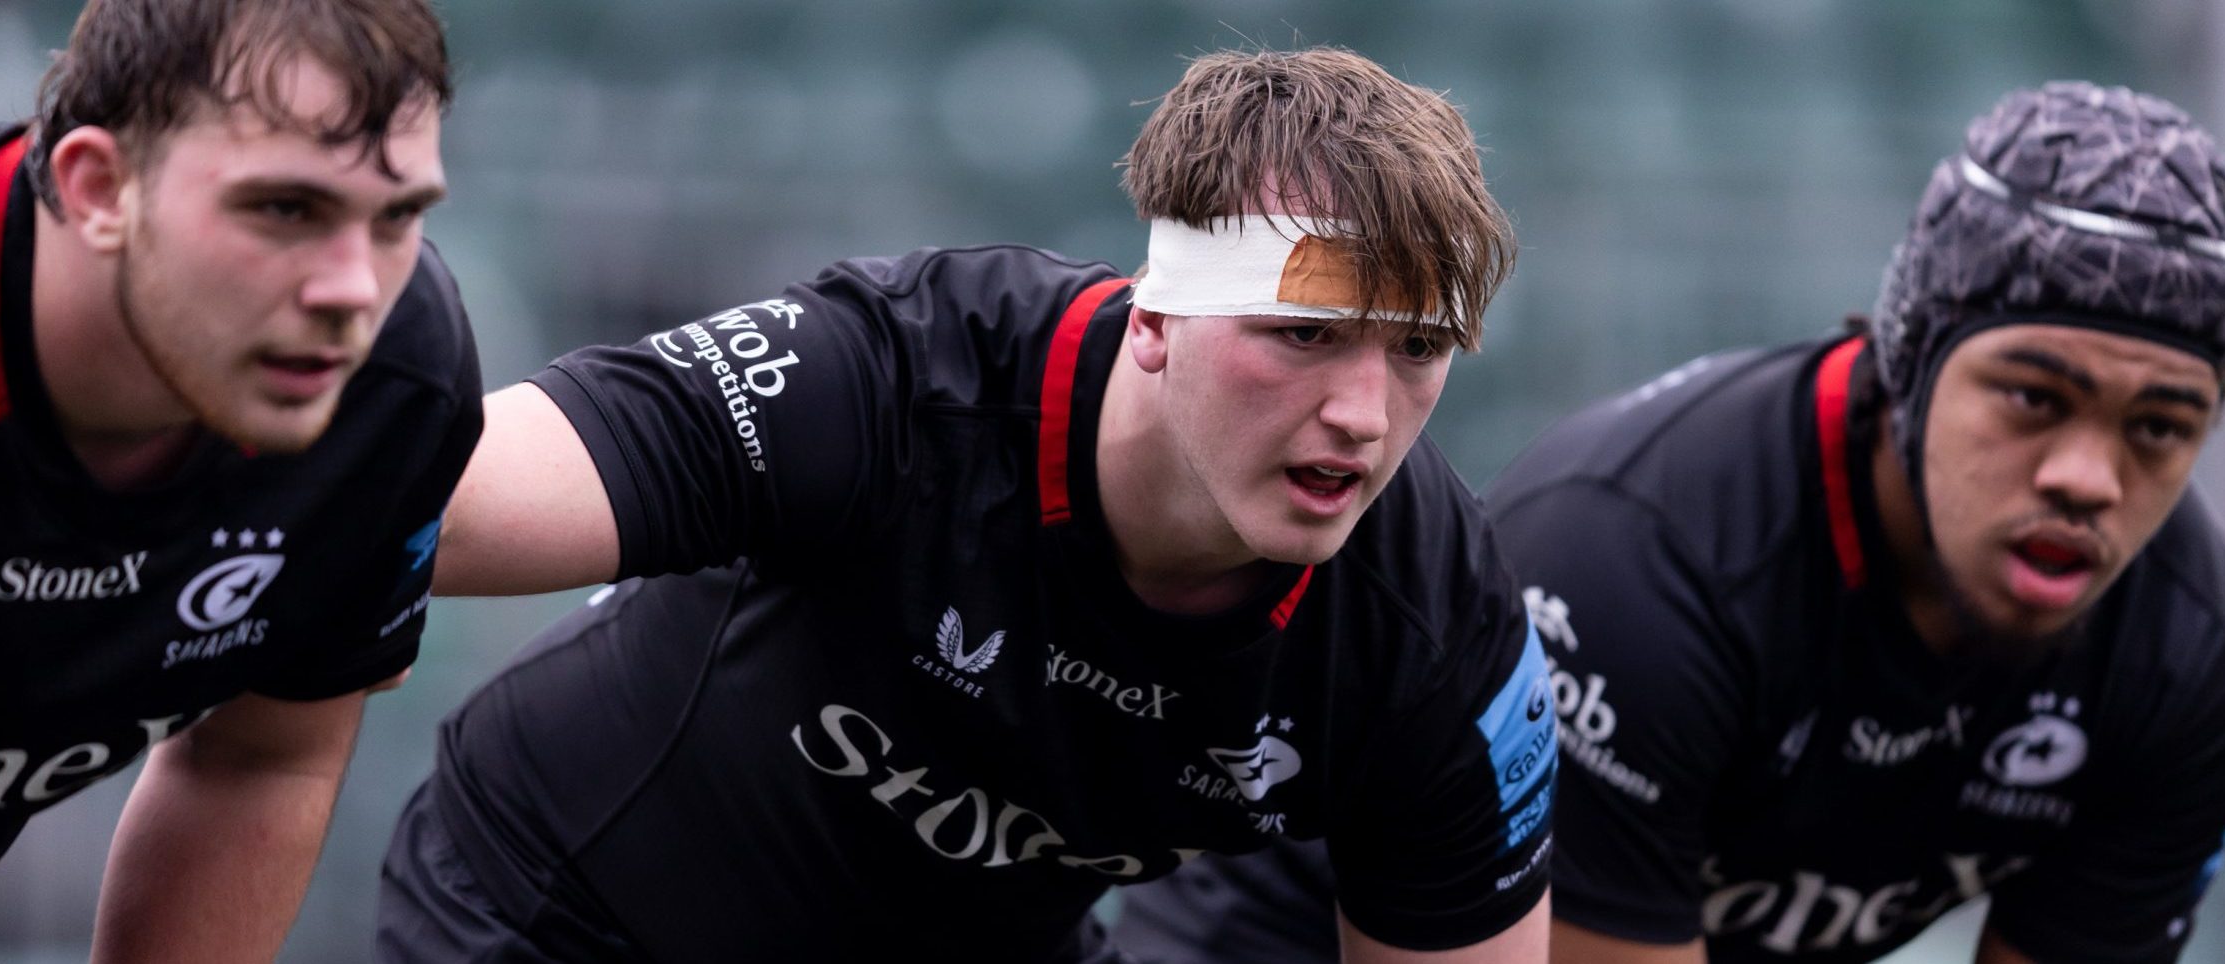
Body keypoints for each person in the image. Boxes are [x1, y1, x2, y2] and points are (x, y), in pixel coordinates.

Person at [383, 47, 1555, 962]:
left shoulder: (1436, 626)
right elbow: (458, 496)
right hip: (567, 910)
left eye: (1417, 347)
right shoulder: (905, 370)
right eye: (1305, 336)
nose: (1363, 411)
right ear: (1153, 321)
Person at [1113, 80, 2225, 964]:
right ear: (1908, 358)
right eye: (2032, 397)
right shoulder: (1638, 557)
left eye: (2161, 427)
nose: (2087, 475)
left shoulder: (2193, 659)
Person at [0, 1, 480, 960]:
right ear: (99, 187)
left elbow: (262, 757)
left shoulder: (396, 391)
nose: (352, 290)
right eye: (287, 208)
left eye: (398, 217)